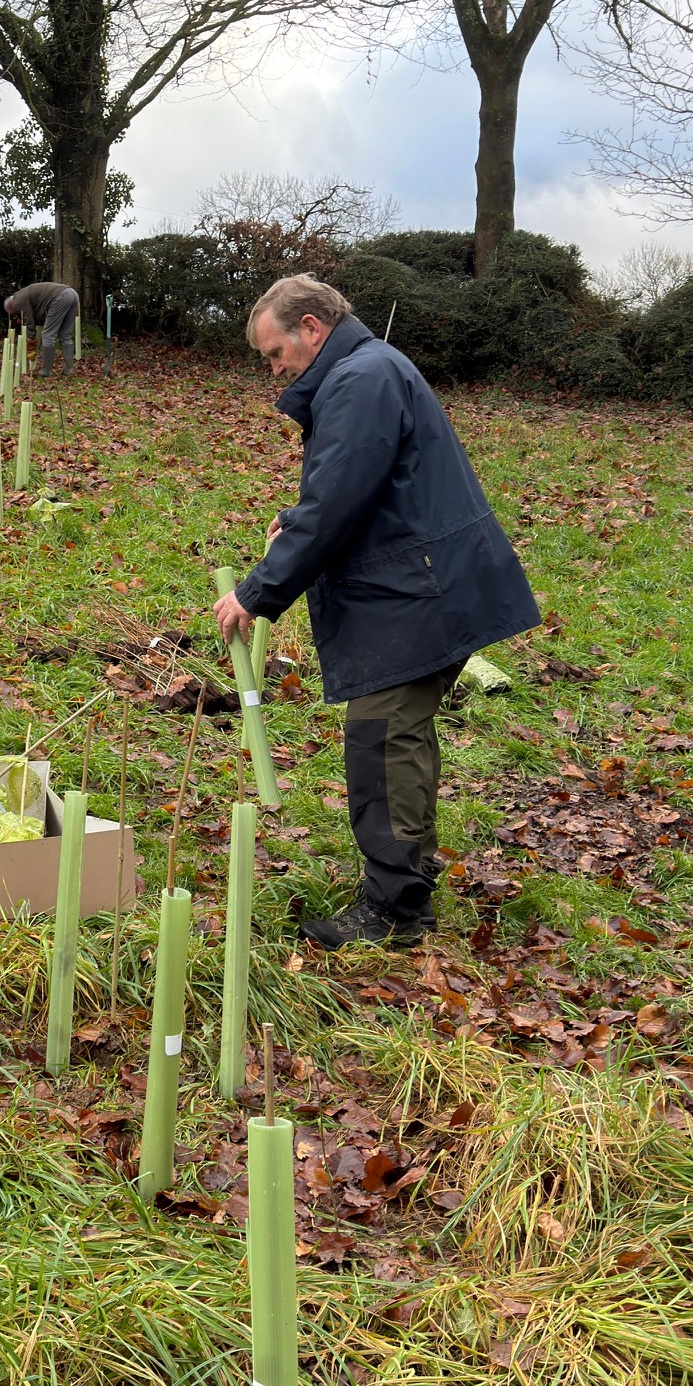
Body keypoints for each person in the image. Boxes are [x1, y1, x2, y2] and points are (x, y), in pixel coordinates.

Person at [214, 274, 538, 948]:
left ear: (310, 327)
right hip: (422, 581)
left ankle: (394, 913)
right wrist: (290, 519)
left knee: (381, 745)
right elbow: (362, 485)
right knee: (403, 741)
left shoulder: (361, 380)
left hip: (415, 593)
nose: (274, 369)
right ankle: (409, 875)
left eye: (276, 353)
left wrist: (256, 592)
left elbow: (337, 503)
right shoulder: (366, 371)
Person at [3, 278, 80, 375]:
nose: (16, 315)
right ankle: (68, 370)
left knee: (47, 335)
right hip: (73, 294)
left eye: (14, 313)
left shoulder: (18, 301)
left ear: (11, 307)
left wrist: (30, 340)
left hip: (61, 297)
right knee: (65, 335)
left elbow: (28, 320)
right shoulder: (23, 295)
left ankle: (46, 370)